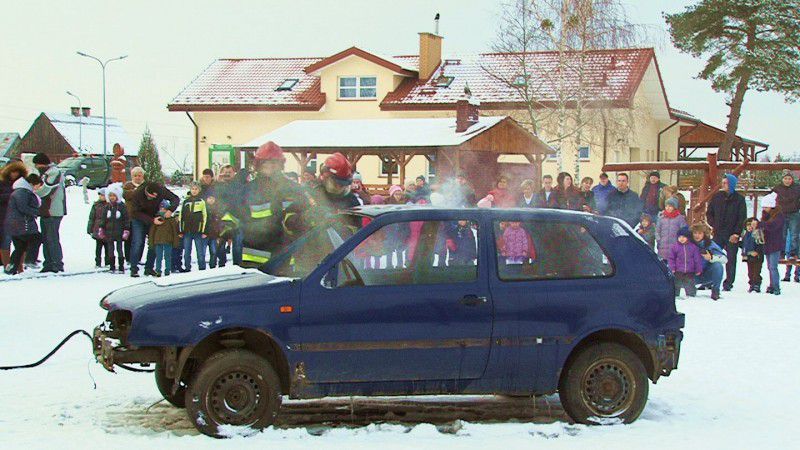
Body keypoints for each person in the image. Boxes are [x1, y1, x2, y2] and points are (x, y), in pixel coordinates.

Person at [242, 141, 305, 267]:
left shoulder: (294, 189)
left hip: (284, 256)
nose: (270, 166)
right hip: (254, 257)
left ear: (281, 165)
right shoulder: (248, 189)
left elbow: (303, 218)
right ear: (258, 165)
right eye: (266, 162)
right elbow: (237, 215)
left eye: (274, 162)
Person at [128, 181, 180, 277]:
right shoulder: (137, 193)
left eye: (155, 197)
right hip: (138, 218)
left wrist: (170, 209)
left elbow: (175, 199)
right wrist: (152, 220)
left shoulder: (161, 190)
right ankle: (134, 268)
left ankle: (149, 268)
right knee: (138, 242)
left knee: (154, 242)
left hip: (153, 216)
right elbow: (134, 212)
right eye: (151, 196)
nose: (153, 198)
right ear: (147, 192)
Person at [706, 173, 747, 291]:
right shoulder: (717, 197)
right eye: (722, 183)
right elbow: (710, 212)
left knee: (731, 259)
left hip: (731, 233)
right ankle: (709, 280)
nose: (723, 185)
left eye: (726, 183)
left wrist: (737, 233)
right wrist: (713, 224)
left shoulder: (739, 199)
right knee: (712, 255)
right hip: (718, 232)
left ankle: (728, 282)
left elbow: (742, 218)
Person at [32, 153, 66, 273]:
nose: (36, 166)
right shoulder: (45, 173)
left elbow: (47, 189)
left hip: (54, 210)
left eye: (37, 164)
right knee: (46, 238)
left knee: (52, 238)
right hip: (46, 211)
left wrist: (34, 192)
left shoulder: (54, 173)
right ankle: (48, 263)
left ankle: (57, 263)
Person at [3, 173, 42, 275]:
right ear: (33, 183)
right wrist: (36, 211)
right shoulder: (23, 192)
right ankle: (30, 260)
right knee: (37, 238)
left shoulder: (20, 190)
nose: (38, 188)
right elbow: (23, 208)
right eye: (38, 185)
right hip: (21, 223)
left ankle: (11, 267)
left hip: (14, 224)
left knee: (20, 246)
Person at [771, 170, 800, 282]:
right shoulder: (778, 188)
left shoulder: (797, 188)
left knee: (794, 235)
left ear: (792, 180)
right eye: (785, 178)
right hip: (782, 213)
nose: (787, 181)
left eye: (789, 179)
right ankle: (781, 253)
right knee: (782, 234)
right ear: (782, 179)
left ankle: (793, 253)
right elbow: (770, 197)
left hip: (793, 213)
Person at [0, 161, 28, 267]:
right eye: (12, 172)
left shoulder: (23, 183)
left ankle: (19, 264)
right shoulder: (2, 182)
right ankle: (5, 263)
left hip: (20, 216)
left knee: (21, 241)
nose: (14, 174)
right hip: (4, 215)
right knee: (5, 240)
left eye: (17, 172)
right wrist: (12, 196)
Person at [99, 183, 130, 273]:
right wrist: (101, 228)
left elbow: (126, 219)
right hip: (109, 232)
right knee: (110, 250)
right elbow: (103, 219)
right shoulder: (107, 207)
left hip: (119, 232)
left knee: (120, 249)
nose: (112, 197)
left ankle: (121, 266)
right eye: (110, 196)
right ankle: (112, 266)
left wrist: (126, 230)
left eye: (114, 195)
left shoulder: (122, 207)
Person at [691, 223, 727, 301]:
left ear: (704, 234)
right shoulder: (686, 244)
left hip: (706, 274)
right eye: (695, 233)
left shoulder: (710, 245)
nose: (697, 235)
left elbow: (724, 259)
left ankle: (715, 290)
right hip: (689, 275)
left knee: (717, 266)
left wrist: (711, 257)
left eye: (700, 233)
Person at [758, 192, 785, 295]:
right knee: (770, 266)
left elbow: (772, 226)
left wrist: (761, 224)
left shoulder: (779, 216)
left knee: (773, 266)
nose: (764, 209)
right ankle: (772, 285)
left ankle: (776, 286)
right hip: (769, 244)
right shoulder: (766, 216)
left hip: (775, 244)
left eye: (766, 206)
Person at [180, 182, 210, 271]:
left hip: (198, 231)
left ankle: (202, 267)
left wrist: (205, 231)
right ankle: (187, 267)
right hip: (187, 231)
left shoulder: (201, 202)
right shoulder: (186, 202)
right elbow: (181, 216)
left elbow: (205, 216)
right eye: (192, 189)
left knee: (200, 252)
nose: (194, 191)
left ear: (199, 190)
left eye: (196, 189)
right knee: (187, 252)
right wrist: (181, 230)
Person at [668, 226, 704, 298]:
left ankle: (691, 294)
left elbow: (697, 259)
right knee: (676, 283)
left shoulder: (693, 247)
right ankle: (675, 294)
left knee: (689, 282)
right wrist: (672, 267)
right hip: (678, 270)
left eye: (684, 237)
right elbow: (671, 258)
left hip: (690, 270)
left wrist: (698, 269)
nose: (681, 239)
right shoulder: (675, 247)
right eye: (680, 237)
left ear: (688, 238)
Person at [150, 200, 180, 277]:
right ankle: (158, 270)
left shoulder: (171, 220)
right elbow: (152, 232)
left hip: (168, 241)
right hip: (158, 241)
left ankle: (167, 270)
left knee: (168, 257)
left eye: (165, 209)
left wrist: (175, 242)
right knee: (158, 257)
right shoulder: (156, 219)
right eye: (161, 209)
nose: (163, 210)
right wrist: (151, 242)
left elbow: (175, 232)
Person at [123, 166, 146, 262]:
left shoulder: (146, 186)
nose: (137, 177)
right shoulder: (128, 185)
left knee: (140, 238)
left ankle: (138, 258)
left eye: (139, 176)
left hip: (143, 216)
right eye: (135, 176)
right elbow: (125, 195)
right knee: (129, 238)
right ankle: (128, 258)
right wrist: (137, 192)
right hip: (129, 216)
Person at [740, 217, 764, 293]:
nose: (750, 227)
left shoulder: (758, 233)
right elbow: (744, 244)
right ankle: (752, 284)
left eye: (752, 225)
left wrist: (757, 252)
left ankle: (757, 284)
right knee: (750, 272)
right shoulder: (745, 234)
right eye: (748, 225)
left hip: (757, 256)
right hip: (748, 256)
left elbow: (761, 244)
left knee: (756, 271)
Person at [87, 188, 108, 267]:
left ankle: (108, 262)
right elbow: (91, 218)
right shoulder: (96, 205)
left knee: (107, 247)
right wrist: (90, 228)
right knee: (98, 247)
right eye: (100, 195)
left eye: (103, 195)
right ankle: (98, 262)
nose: (102, 197)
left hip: (107, 229)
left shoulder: (110, 205)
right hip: (97, 229)